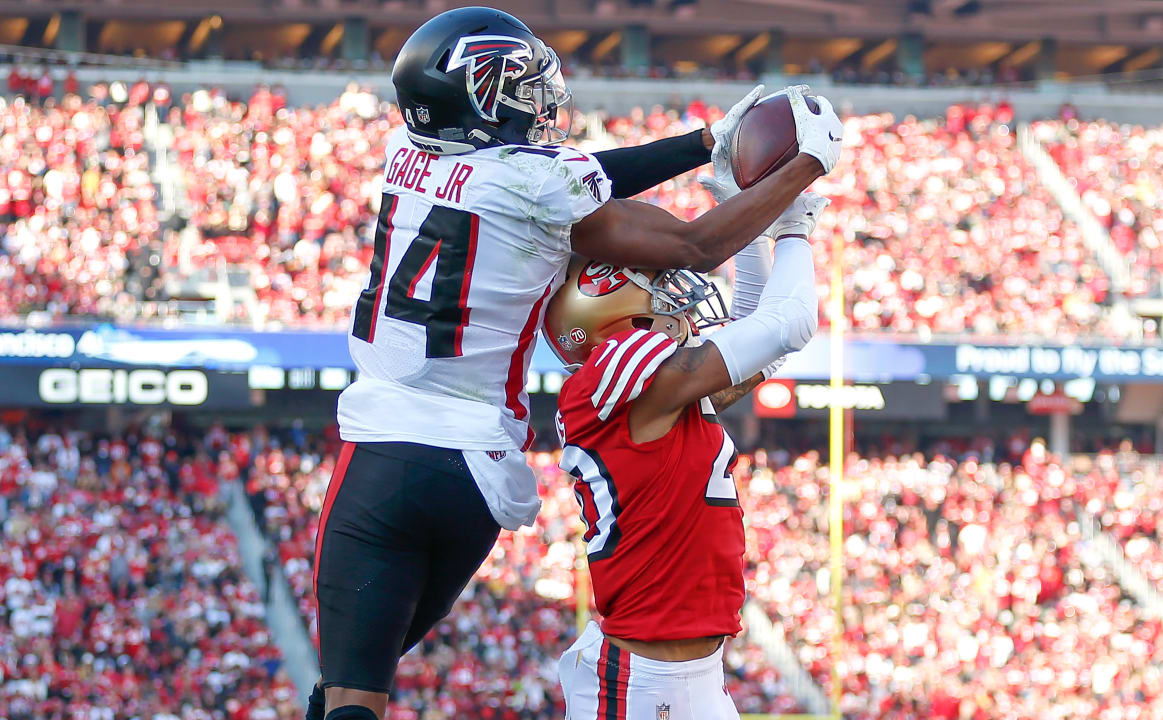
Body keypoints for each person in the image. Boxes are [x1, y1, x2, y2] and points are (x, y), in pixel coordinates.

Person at [311, 7, 844, 720]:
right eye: (520, 85)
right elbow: (693, 250)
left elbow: (570, 181)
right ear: (481, 92)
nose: (539, 102)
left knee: (348, 694)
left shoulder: (404, 156)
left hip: (384, 447)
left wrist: (705, 144)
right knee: (348, 694)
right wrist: (800, 175)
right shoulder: (627, 373)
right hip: (478, 467)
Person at [545, 178, 828, 719]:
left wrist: (744, 221)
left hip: (694, 676)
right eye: (658, 282)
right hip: (644, 684)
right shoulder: (623, 381)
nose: (676, 293)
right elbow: (788, 325)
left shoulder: (655, 392)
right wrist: (792, 228)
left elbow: (763, 352)